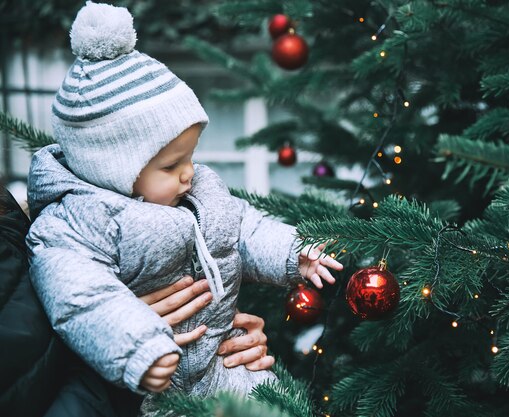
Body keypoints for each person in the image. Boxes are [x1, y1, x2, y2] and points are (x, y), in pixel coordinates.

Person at [25, 1, 342, 415]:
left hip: (225, 362)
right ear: (113, 170)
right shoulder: (77, 223)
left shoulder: (197, 192)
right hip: (159, 382)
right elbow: (82, 298)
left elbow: (243, 226)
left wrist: (292, 252)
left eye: (191, 156)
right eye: (171, 164)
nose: (189, 173)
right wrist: (138, 348)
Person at [1, 185, 274, 417]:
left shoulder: (24, 217)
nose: (187, 175)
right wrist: (119, 334)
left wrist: (219, 326)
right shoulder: (61, 225)